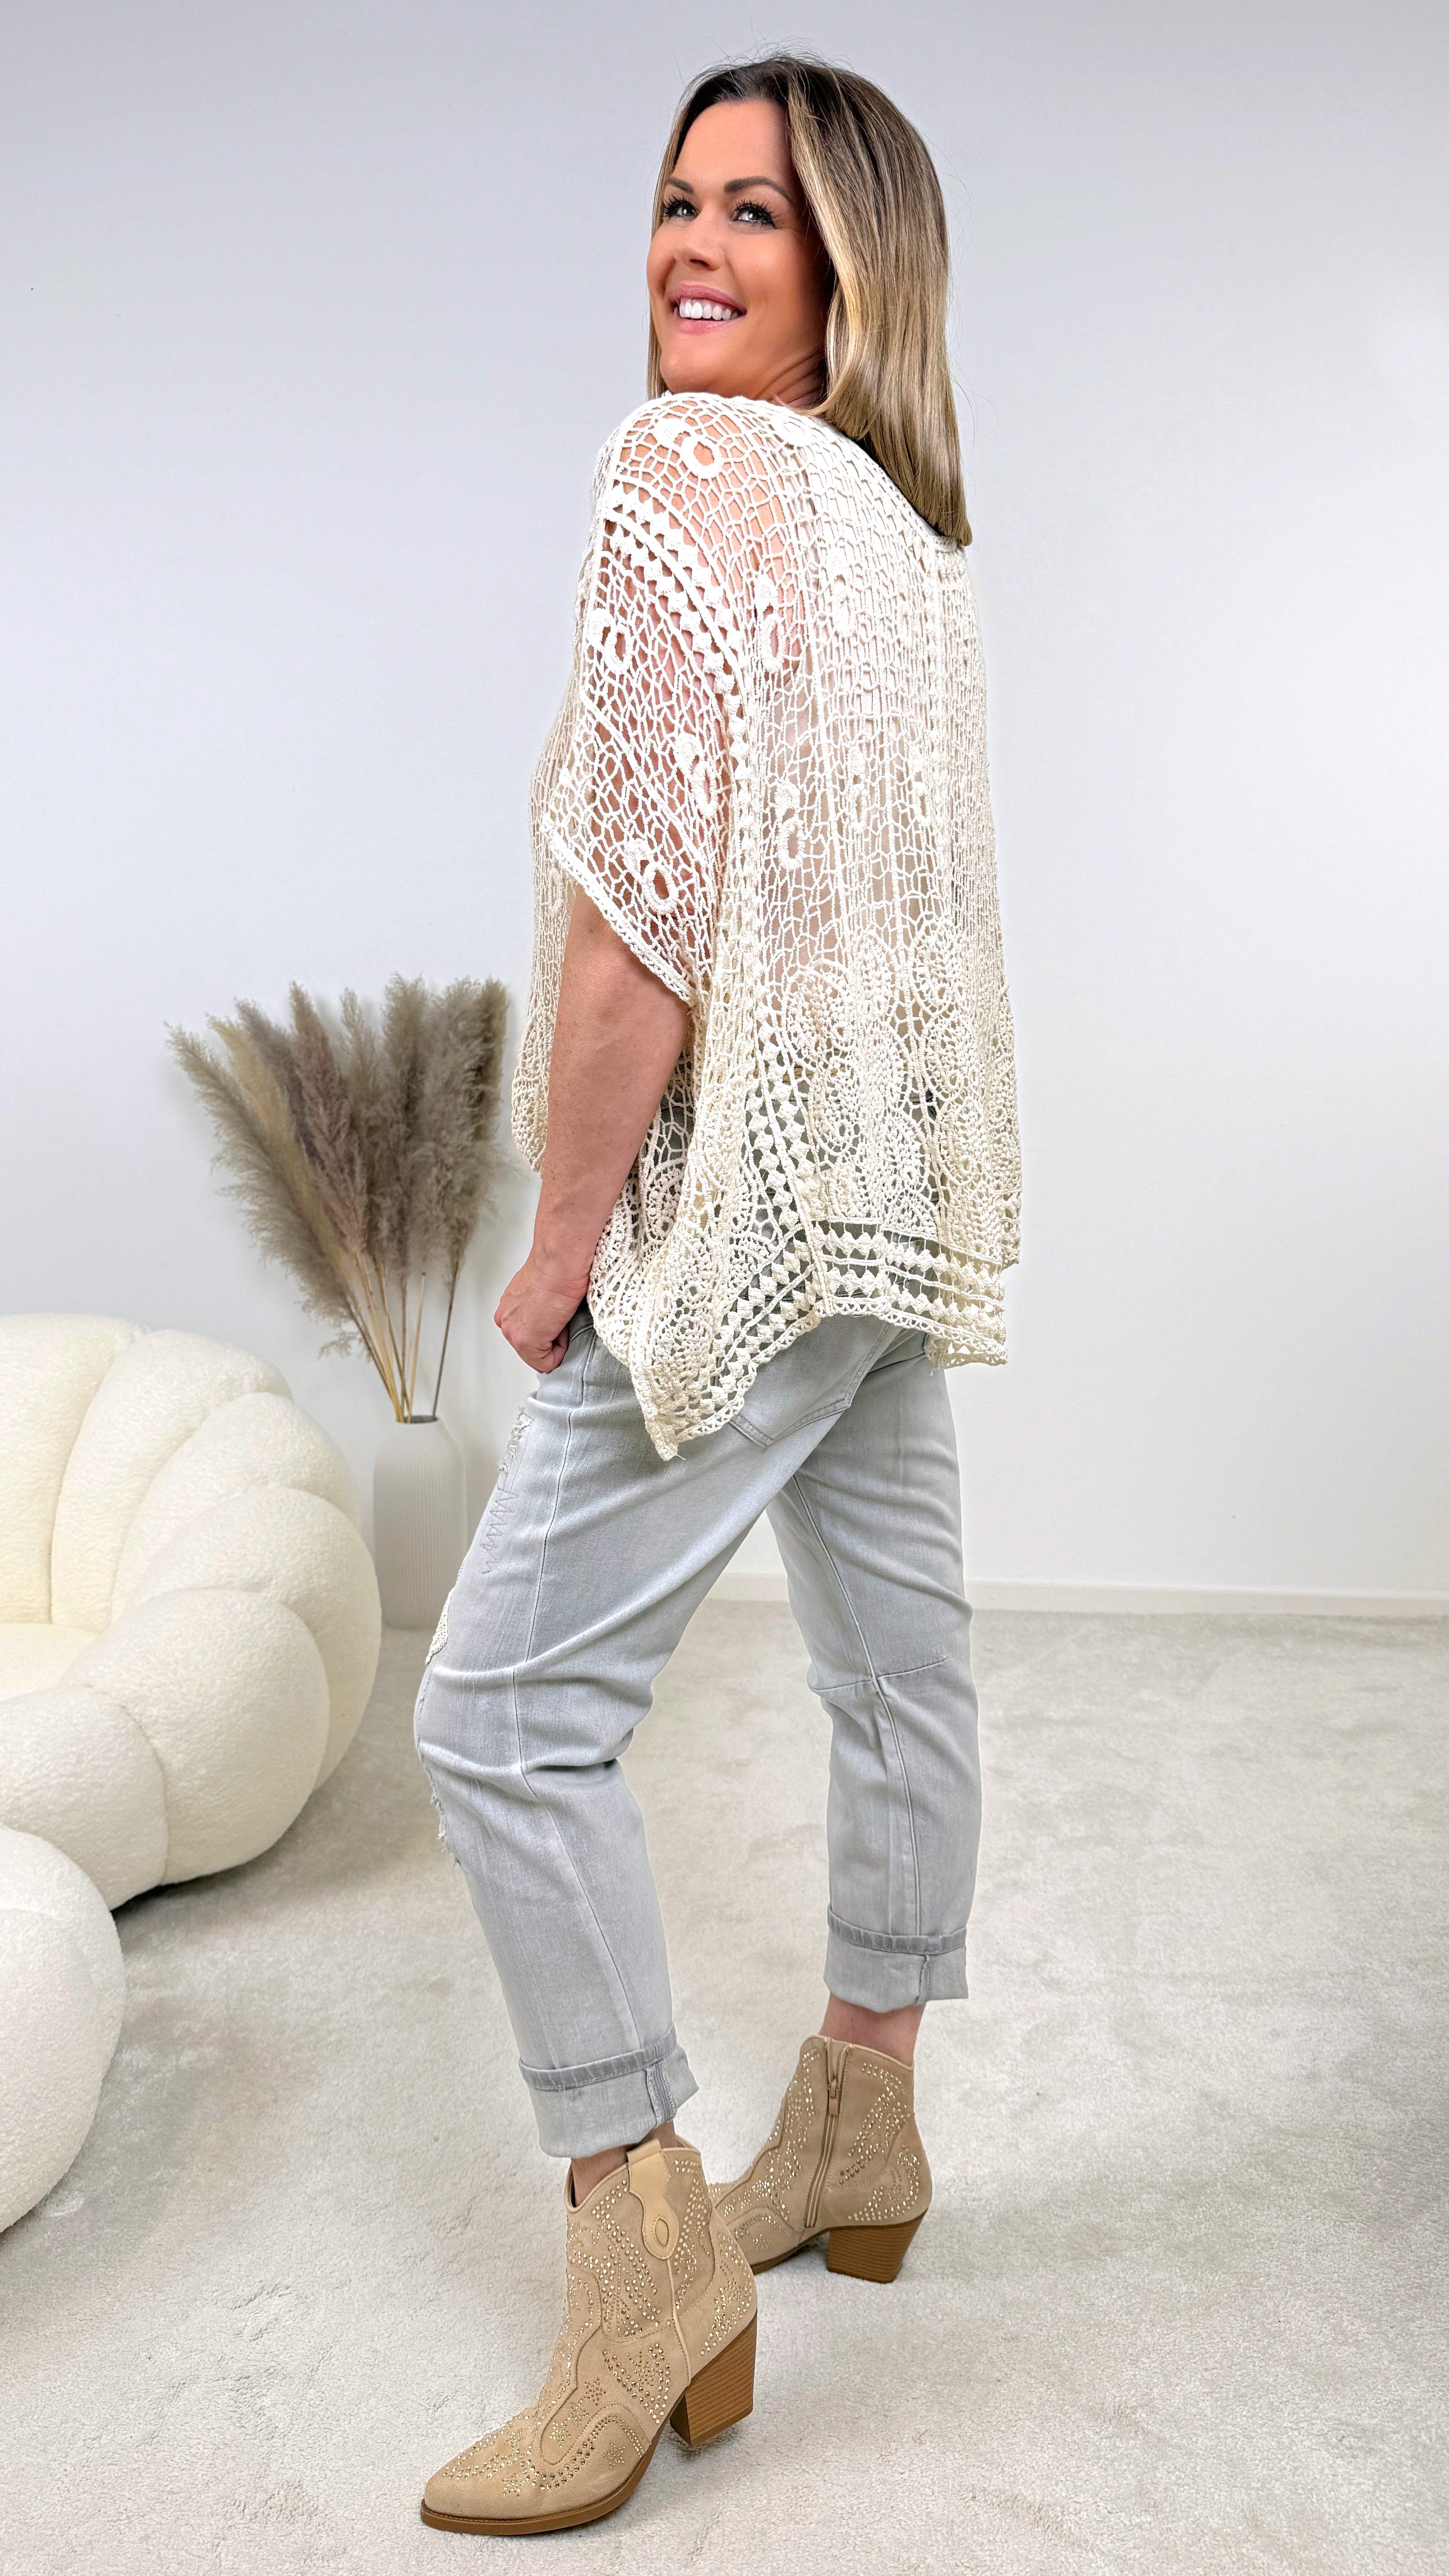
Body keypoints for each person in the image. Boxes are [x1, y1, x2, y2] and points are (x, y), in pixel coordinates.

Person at [413, 52, 1020, 2537]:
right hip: (890, 1196)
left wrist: (569, 1239)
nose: (691, 245)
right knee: (900, 1667)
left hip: (748, 1219)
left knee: (497, 1717)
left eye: (755, 213)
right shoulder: (908, 537)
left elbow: (636, 933)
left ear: (851, 266)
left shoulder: (680, 475)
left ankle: (639, 2239)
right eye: (678, 201)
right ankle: (863, 2123)